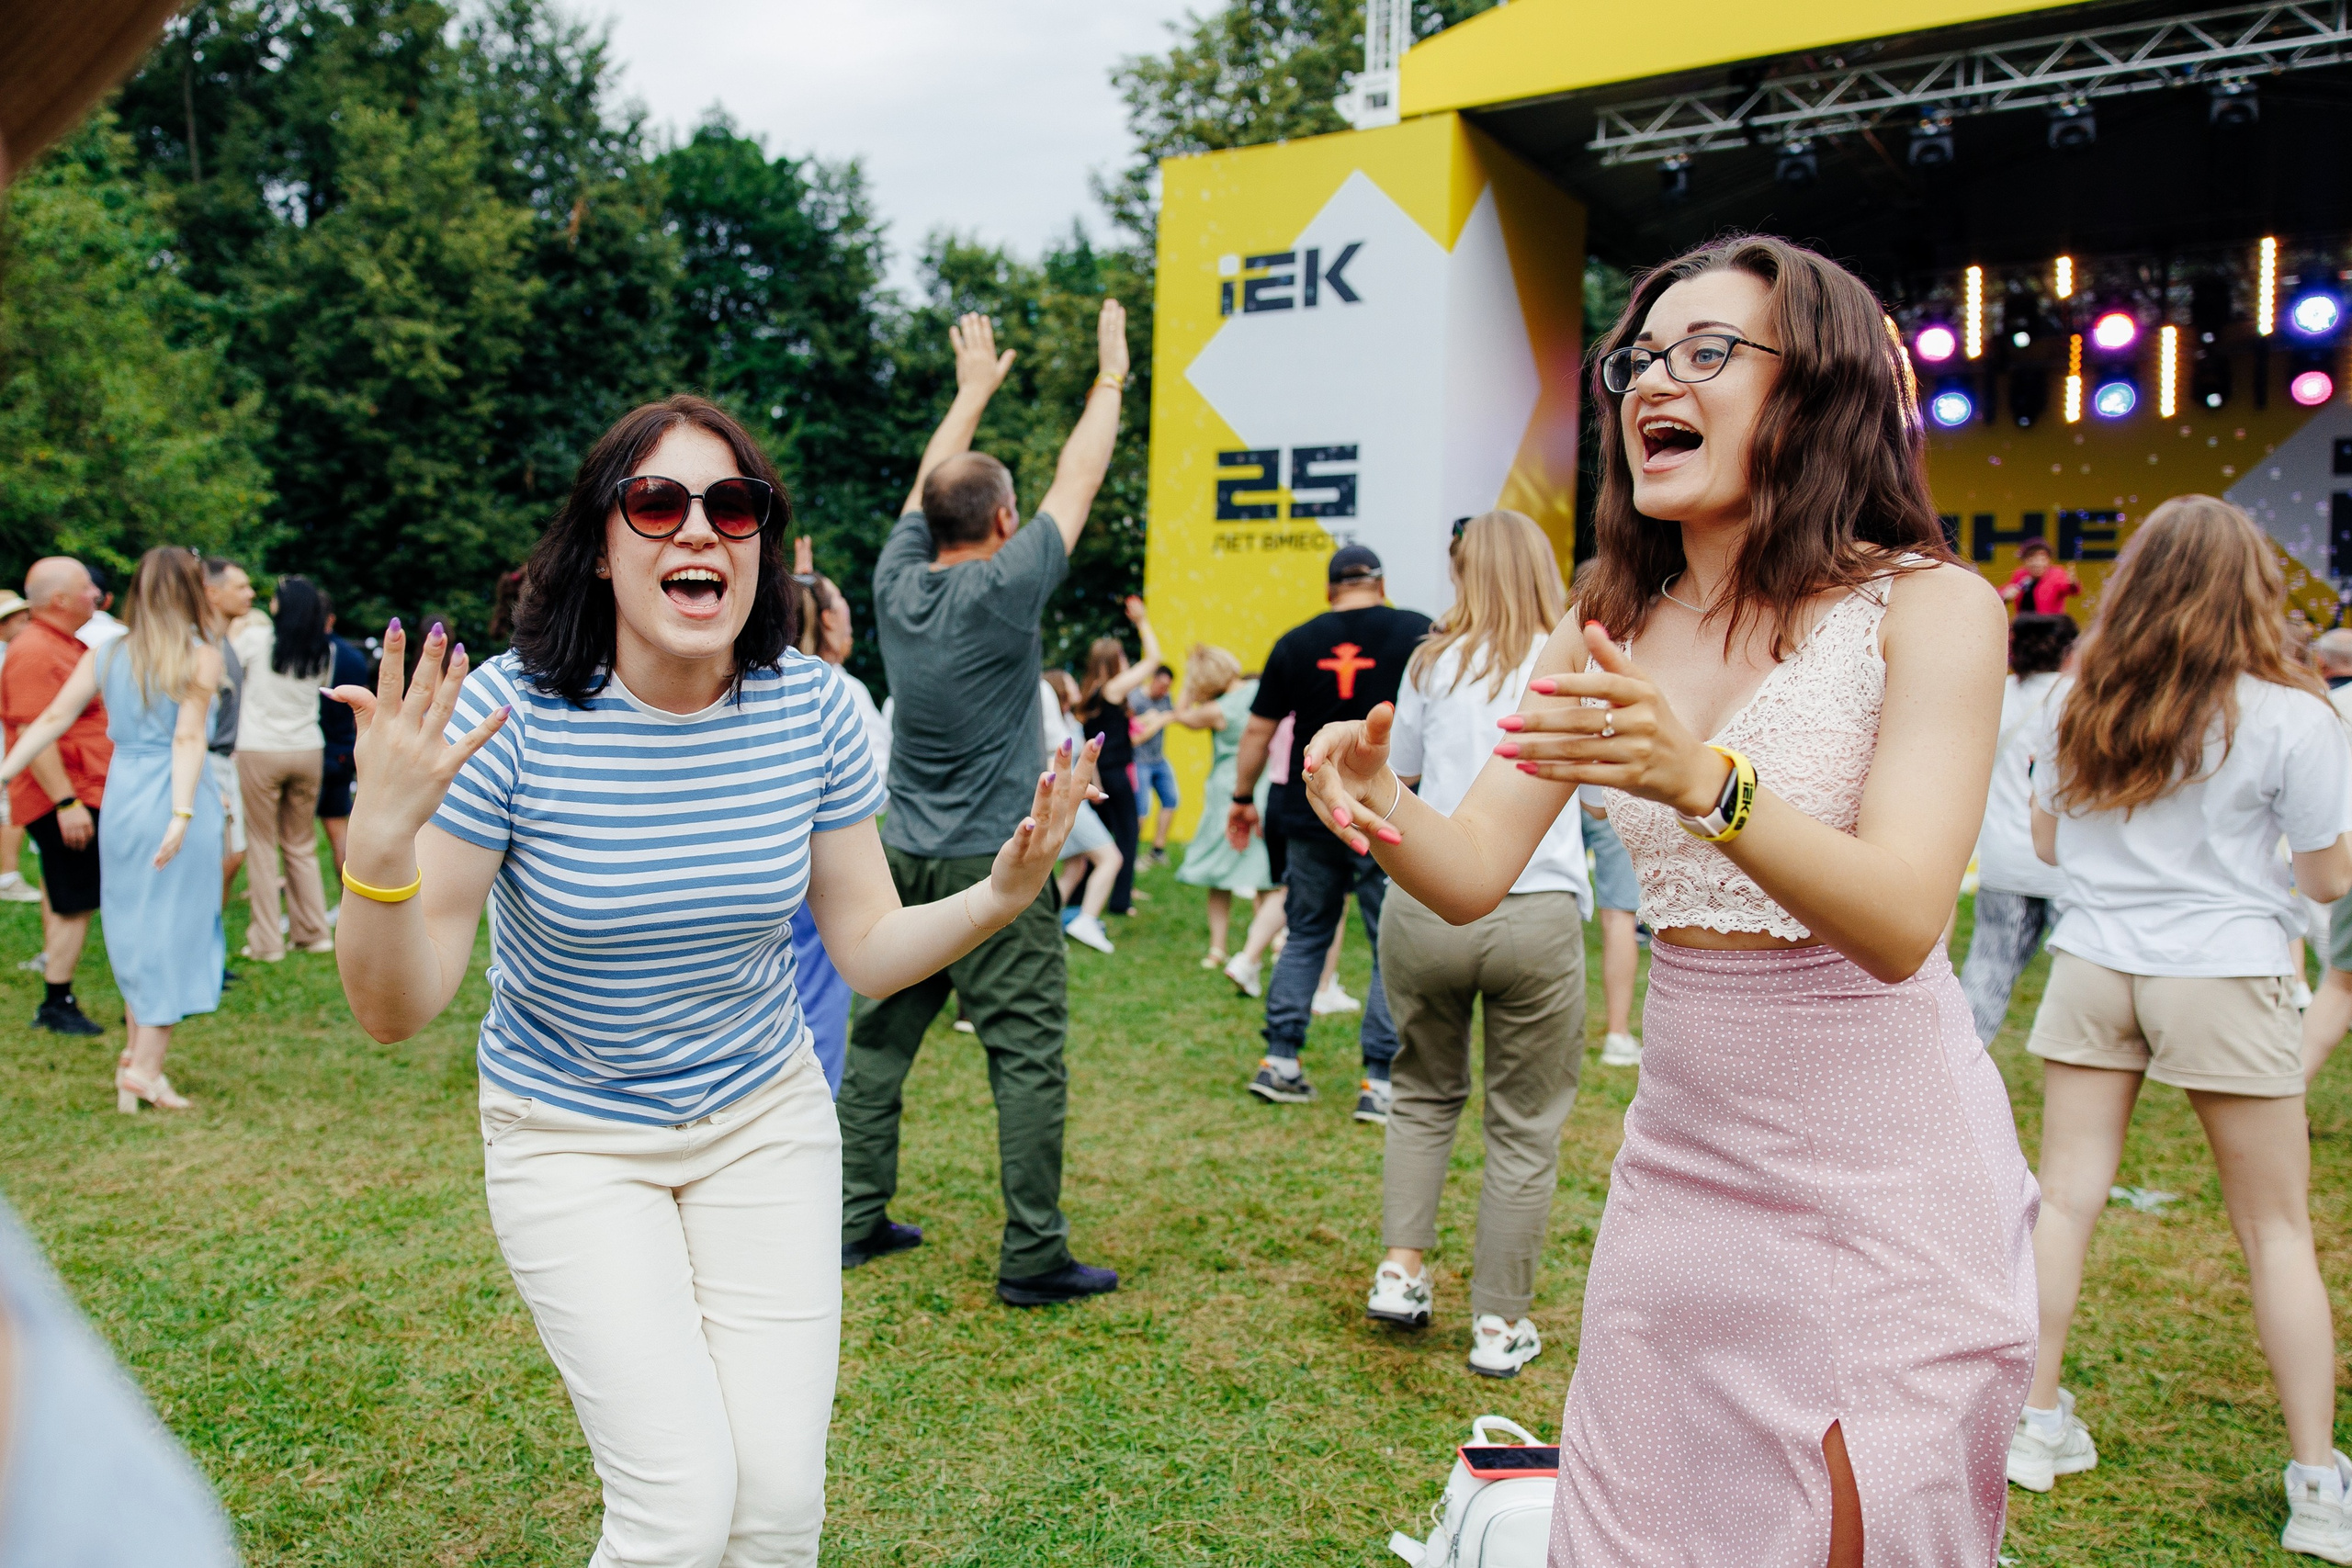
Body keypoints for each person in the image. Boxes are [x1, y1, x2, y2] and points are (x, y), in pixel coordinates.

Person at [1299, 236, 2036, 1566]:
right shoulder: (1607, 621)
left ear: (1814, 392)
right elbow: (1472, 868)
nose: (1654, 381)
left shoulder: (1935, 610)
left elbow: (1904, 917)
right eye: (1641, 357)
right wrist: (1376, 802)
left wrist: (1708, 780)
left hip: (1888, 1186)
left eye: (1709, 353)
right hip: (1682, 1178)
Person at [331, 392, 1100, 1565]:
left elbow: (867, 947)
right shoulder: (509, 716)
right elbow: (397, 1009)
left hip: (763, 1124)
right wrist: (378, 852)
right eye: (657, 502)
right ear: (601, 543)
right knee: (680, 1508)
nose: (699, 529)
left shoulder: (816, 710)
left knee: (779, 1509)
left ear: (758, 545)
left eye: (731, 505)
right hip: (570, 1137)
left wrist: (1000, 894)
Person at [2011, 497, 2352, 1557]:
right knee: (2276, 1232)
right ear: (2250, 588)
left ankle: (2030, 1423)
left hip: (2095, 965)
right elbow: (2328, 880)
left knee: (2061, 1203)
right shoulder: (2294, 715)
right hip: (2225, 967)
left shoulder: (2079, 702)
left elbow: (2051, 847)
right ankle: (2316, 1487)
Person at [842, 302, 1129, 1306]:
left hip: (901, 854)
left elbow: (932, 496)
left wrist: (970, 394)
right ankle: (1032, 1254)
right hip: (994, 864)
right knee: (1025, 1057)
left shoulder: (891, 581)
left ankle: (853, 1215)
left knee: (877, 1045)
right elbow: (1081, 477)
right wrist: (1109, 382)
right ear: (1004, 522)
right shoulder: (1009, 586)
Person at [1364, 510, 1590, 1380]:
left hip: (1428, 903)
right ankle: (1498, 1323)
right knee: (1524, 1127)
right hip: (1537, 909)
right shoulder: (1570, 661)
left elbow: (1407, 774)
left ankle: (1402, 1270)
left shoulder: (1432, 661)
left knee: (1421, 1093)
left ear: (1463, 570)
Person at [0, 548, 225, 1111]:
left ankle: (136, 1055)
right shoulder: (201, 656)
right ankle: (144, 1067)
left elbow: (51, 719)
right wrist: (181, 814)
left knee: (136, 921)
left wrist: (3, 771)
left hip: (124, 795)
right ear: (191, 592)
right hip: (175, 793)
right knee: (172, 926)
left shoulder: (106, 653)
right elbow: (187, 739)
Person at [1227, 544, 1430, 1122]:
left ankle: (1281, 1060)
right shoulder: (1418, 633)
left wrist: (1242, 798)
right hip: (1387, 808)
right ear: (1382, 582)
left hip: (1310, 806)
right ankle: (1381, 1081)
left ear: (1329, 590)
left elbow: (1257, 734)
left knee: (1307, 929)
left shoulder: (1296, 641)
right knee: (1387, 938)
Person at [2, 558, 113, 1036]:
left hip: (82, 791)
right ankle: (56, 1000)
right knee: (73, 899)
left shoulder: (63, 644)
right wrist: (66, 803)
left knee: (72, 895)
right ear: (61, 601)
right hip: (66, 798)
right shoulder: (34, 650)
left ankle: (58, 993)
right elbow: (34, 730)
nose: (97, 594)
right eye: (87, 587)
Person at [1957, 612, 2078, 1043]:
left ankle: (1961, 1059)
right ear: (2069, 651)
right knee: (2078, 984)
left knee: (1987, 974)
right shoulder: (2083, 699)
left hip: (2003, 860)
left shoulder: (1993, 696)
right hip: (2069, 863)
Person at [232, 574, 334, 961]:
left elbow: (229, 677)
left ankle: (267, 941)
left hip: (260, 748)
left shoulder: (257, 640)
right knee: (301, 844)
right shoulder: (324, 650)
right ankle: (314, 932)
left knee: (261, 845)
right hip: (308, 748)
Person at [1572, 559, 1642, 1068]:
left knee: (1551, 905)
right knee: (1619, 915)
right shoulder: (1646, 647)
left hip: (1557, 794)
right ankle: (1616, 1033)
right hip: (1612, 795)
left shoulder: (1560, 651)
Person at [1170, 645, 1270, 965]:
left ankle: (1217, 948)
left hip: (1227, 792)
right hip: (1263, 786)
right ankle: (1268, 941)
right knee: (1264, 872)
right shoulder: (1260, 690)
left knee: (1218, 873)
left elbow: (1181, 714)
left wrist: (1188, 683)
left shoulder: (1218, 710)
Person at [1073, 597, 1160, 918]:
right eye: (1123, 656)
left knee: (1098, 838)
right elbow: (1154, 660)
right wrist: (1142, 622)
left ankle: (1080, 895)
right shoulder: (1112, 690)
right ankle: (1120, 901)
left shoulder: (1089, 694)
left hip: (1101, 776)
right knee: (1127, 835)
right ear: (1114, 660)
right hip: (1117, 776)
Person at [1044, 670, 1125, 953]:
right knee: (1111, 859)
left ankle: (1045, 928)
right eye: (1068, 681)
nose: (1075, 683)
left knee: (1075, 867)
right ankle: (1086, 920)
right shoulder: (1050, 724)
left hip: (1078, 800)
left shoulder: (1068, 720)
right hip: (1066, 800)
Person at [201, 558, 251, 916]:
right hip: (205, 762)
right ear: (212, 593)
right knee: (220, 858)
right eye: (241, 587)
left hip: (221, 760)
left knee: (232, 855)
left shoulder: (223, 639)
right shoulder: (202, 645)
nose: (250, 594)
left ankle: (206, 954)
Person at [316, 591, 371, 879]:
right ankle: (347, 898)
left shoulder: (305, 653)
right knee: (339, 830)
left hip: (315, 746)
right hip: (342, 749)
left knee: (297, 837)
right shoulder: (352, 658)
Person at [0, 591, 40, 904]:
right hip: (6, 748)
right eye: (19, 618)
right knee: (11, 810)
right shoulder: (10, 656)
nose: (25, 622)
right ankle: (8, 877)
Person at [1132, 664, 1179, 867]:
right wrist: (1155, 722)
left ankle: (1157, 851)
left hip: (1159, 760)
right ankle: (1131, 855)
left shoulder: (1166, 699)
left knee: (1171, 800)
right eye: (1161, 685)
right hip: (1139, 762)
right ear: (1153, 679)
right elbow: (1130, 734)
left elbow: (1176, 714)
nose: (1164, 691)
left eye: (1168, 687)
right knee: (1141, 810)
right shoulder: (1135, 699)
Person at [2002, 536, 2081, 619]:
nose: (2037, 564)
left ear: (2049, 561)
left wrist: (2073, 583)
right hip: (2023, 628)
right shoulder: (2020, 575)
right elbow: (2001, 593)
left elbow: (2071, 589)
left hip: (2049, 628)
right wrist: (2004, 596)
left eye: (2042, 559)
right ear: (2024, 561)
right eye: (2032, 559)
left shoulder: (2056, 574)